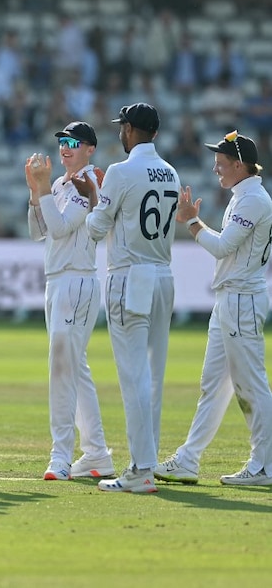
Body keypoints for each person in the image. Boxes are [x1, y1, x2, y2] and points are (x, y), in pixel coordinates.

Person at [155, 131, 272, 486]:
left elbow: (222, 248)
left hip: (242, 300)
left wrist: (191, 221)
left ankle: (265, 465)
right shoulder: (244, 195)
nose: (215, 167)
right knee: (213, 384)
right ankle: (189, 459)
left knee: (251, 385)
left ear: (239, 165)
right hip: (230, 300)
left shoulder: (253, 199)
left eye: (221, 162)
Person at [77, 102, 179, 493]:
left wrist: (93, 197)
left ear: (133, 130)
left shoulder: (120, 172)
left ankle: (140, 469)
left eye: (123, 127)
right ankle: (146, 461)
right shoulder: (169, 171)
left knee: (134, 376)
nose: (120, 133)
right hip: (163, 276)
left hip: (130, 276)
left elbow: (96, 229)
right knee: (152, 377)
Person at [24, 121, 115, 481]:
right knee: (75, 369)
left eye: (73, 142)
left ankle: (60, 455)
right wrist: (37, 191)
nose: (65, 146)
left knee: (62, 368)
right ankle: (96, 452)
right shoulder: (61, 183)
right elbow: (38, 232)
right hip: (57, 281)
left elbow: (61, 228)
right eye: (62, 140)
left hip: (77, 281)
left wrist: (43, 188)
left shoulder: (89, 180)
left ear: (90, 148)